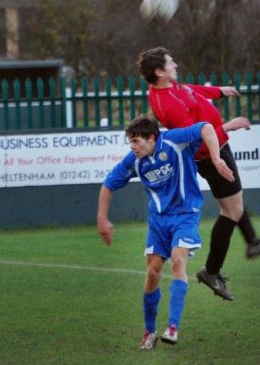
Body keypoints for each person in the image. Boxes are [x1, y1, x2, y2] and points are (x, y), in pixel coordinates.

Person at [139, 47, 260, 301]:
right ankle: (212, 271)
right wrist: (228, 127)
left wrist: (218, 92)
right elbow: (195, 139)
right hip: (211, 155)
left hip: (218, 149)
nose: (176, 66)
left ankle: (253, 242)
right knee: (232, 210)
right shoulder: (167, 105)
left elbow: (191, 90)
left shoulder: (167, 87)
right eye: (171, 64)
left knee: (234, 202)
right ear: (159, 72)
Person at [97, 115, 234, 348]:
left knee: (178, 262)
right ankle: (149, 331)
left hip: (185, 215)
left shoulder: (174, 141)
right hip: (158, 222)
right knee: (152, 273)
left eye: (136, 141)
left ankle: (172, 326)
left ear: (151, 138)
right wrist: (102, 218)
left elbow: (206, 128)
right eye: (130, 142)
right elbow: (109, 184)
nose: (132, 147)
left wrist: (216, 158)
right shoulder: (135, 160)